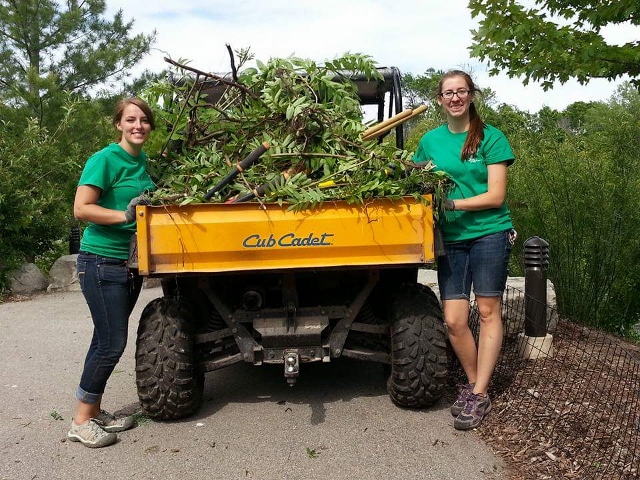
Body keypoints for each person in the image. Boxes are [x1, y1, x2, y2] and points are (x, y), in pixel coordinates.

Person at [413, 70, 516, 430]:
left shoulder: (491, 137)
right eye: (448, 93)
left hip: (489, 232)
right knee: (455, 320)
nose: (455, 98)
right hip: (452, 239)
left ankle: (479, 393)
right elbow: (416, 180)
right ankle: (475, 385)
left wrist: (452, 206)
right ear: (440, 100)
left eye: (461, 91)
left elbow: (496, 196)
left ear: (471, 95)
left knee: (487, 312)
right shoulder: (430, 141)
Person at [68, 97, 156, 447]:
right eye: (131, 119)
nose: (138, 126)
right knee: (111, 343)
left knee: (103, 339)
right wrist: (125, 216)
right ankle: (79, 420)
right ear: (118, 124)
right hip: (101, 261)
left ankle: (94, 410)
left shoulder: (142, 161)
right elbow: (81, 208)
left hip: (127, 262)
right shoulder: (104, 160)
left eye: (144, 120)